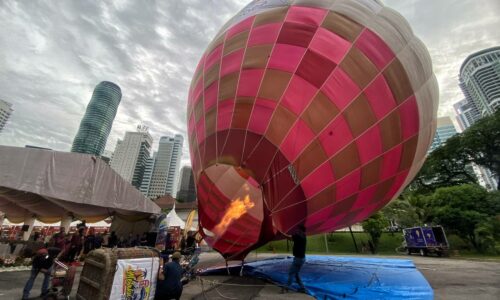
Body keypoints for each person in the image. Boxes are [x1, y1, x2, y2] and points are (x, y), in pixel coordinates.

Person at [283, 224, 307, 293]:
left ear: (300, 230)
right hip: (302, 258)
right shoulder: (304, 236)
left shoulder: (298, 236)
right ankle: (303, 288)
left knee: (291, 273)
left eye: (298, 229)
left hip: (298, 259)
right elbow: (292, 238)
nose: (296, 230)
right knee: (296, 274)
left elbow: (289, 237)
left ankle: (286, 288)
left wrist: (281, 233)